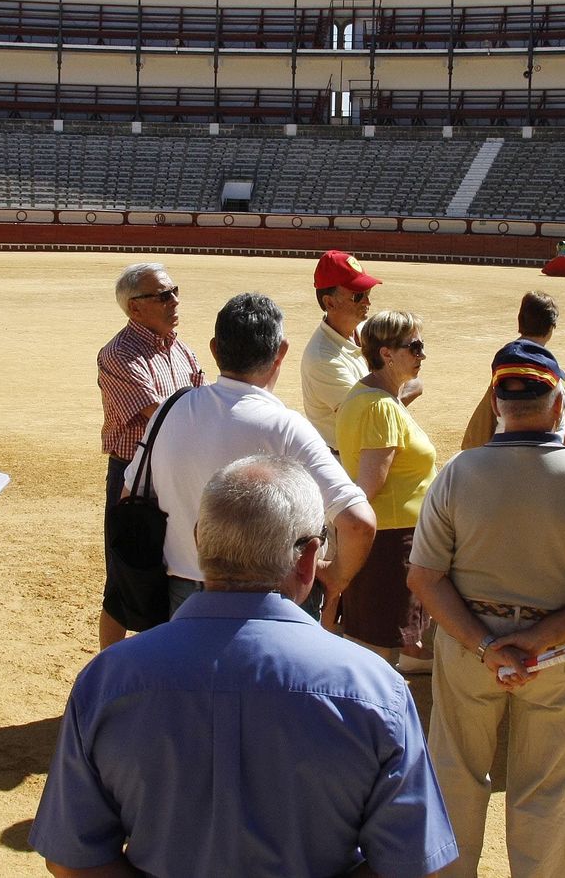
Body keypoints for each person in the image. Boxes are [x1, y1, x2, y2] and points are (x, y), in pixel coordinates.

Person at [30, 455, 460, 878]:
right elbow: (409, 864)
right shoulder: (374, 688)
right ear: (309, 558)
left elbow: (72, 859)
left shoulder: (109, 680)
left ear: (200, 541)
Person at [407, 340, 565, 878]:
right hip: (557, 656)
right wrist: (538, 641)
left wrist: (488, 645)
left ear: (497, 402)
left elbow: (424, 577)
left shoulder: (458, 474)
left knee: (457, 777)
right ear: (557, 403)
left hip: (472, 647)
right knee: (542, 791)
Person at [127, 292, 376, 620]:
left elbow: (130, 493)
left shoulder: (169, 411)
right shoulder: (286, 427)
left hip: (182, 593)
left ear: (215, 350)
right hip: (269, 600)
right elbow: (358, 523)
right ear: (281, 352)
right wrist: (335, 577)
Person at [96, 262, 205, 647]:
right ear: (134, 307)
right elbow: (163, 415)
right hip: (134, 479)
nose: (174, 301)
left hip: (176, 472)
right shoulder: (118, 355)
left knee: (176, 569)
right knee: (125, 579)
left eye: (174, 291)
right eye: (162, 295)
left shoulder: (183, 350)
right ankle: (108, 673)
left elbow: (199, 405)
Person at [337, 310, 435, 670]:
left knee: (373, 644)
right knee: (376, 651)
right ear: (386, 354)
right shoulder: (381, 408)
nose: (422, 355)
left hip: (388, 539)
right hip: (390, 544)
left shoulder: (371, 394)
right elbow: (369, 487)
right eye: (415, 347)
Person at [301, 249, 420, 454]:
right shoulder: (322, 359)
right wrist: (402, 384)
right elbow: (367, 416)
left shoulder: (363, 330)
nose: (367, 302)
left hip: (367, 449)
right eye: (358, 295)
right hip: (345, 464)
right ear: (329, 302)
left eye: (367, 293)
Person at [461, 291, 559, 451]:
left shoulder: (506, 358)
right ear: (551, 327)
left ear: (521, 320)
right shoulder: (546, 366)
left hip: (499, 449)